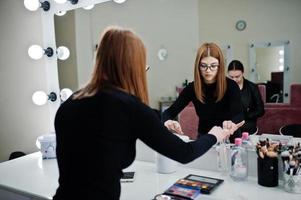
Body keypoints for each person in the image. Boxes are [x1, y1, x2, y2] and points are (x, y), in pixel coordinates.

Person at [53, 27, 243, 200]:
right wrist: (213, 135)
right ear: (133, 67)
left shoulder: (70, 102)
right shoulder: (129, 107)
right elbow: (185, 153)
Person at [162, 43, 244, 142]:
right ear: (198, 66)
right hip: (205, 138)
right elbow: (169, 112)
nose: (208, 70)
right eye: (203, 66)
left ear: (220, 66)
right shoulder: (192, 88)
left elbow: (239, 114)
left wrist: (232, 122)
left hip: (230, 138)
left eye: (213, 66)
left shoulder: (231, 86)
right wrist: (168, 121)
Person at [227, 60, 265, 134]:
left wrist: (246, 115)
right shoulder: (224, 87)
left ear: (243, 73)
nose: (234, 80)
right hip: (229, 129)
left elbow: (261, 110)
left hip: (248, 128)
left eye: (237, 76)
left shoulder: (252, 87)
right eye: (231, 77)